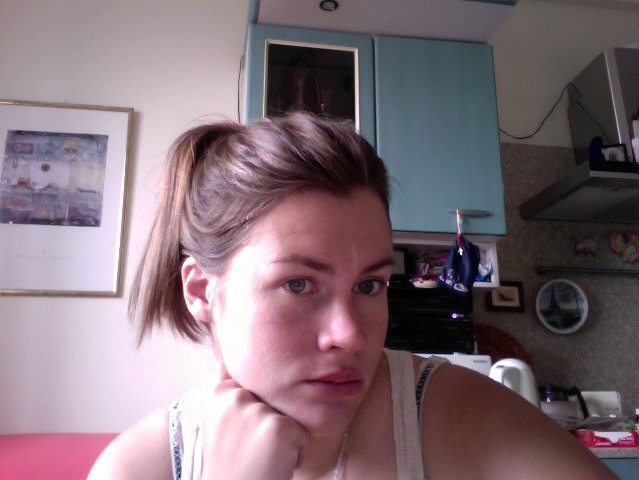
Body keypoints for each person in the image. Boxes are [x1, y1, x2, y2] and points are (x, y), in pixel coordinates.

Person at [88, 113, 615, 480]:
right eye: (298, 284)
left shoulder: (452, 413)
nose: (350, 336)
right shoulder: (142, 467)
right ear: (202, 291)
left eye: (369, 285)